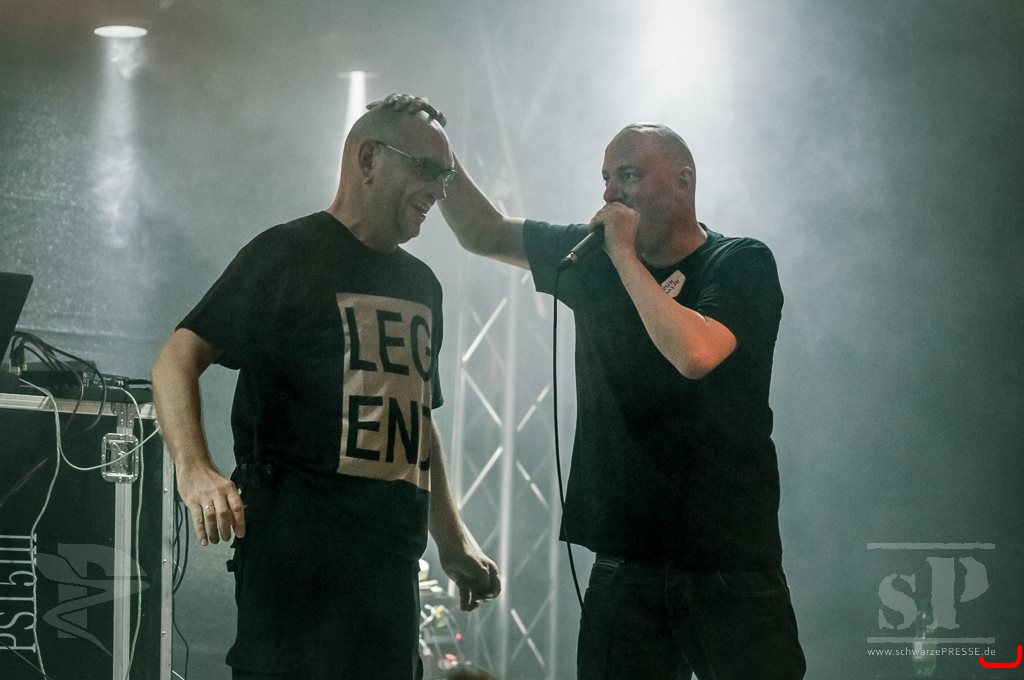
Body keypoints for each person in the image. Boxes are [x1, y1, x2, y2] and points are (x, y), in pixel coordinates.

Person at [377, 94, 805, 679]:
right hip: (624, 558)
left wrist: (625, 256)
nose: (610, 193)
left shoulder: (739, 262)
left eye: (628, 175)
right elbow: (482, 231)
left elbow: (695, 353)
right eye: (605, 178)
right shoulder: (591, 260)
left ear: (683, 182)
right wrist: (439, 152)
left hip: (727, 558)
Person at [151, 97, 501, 680]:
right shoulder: (286, 254)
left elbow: (415, 416)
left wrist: (452, 537)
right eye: (428, 169)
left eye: (446, 176)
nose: (440, 191)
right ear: (368, 159)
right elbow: (176, 358)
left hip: (389, 575)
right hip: (295, 572)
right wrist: (194, 471)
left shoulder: (422, 285)